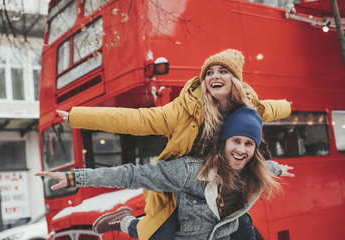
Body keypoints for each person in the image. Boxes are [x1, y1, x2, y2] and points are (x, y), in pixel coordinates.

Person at [56, 49, 292, 239]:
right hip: (187, 181)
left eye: (223, 71)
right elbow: (137, 120)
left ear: (235, 80)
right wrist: (79, 117)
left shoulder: (248, 107)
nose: (214, 76)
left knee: (244, 230)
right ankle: (125, 220)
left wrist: (288, 105)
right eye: (209, 72)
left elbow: (271, 109)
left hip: (225, 180)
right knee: (159, 234)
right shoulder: (184, 109)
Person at [36, 106, 294, 240]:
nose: (241, 149)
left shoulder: (255, 169)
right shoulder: (190, 171)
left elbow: (268, 166)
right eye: (235, 141)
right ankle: (124, 221)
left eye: (248, 144)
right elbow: (131, 174)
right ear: (223, 143)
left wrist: (280, 168)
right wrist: (75, 177)